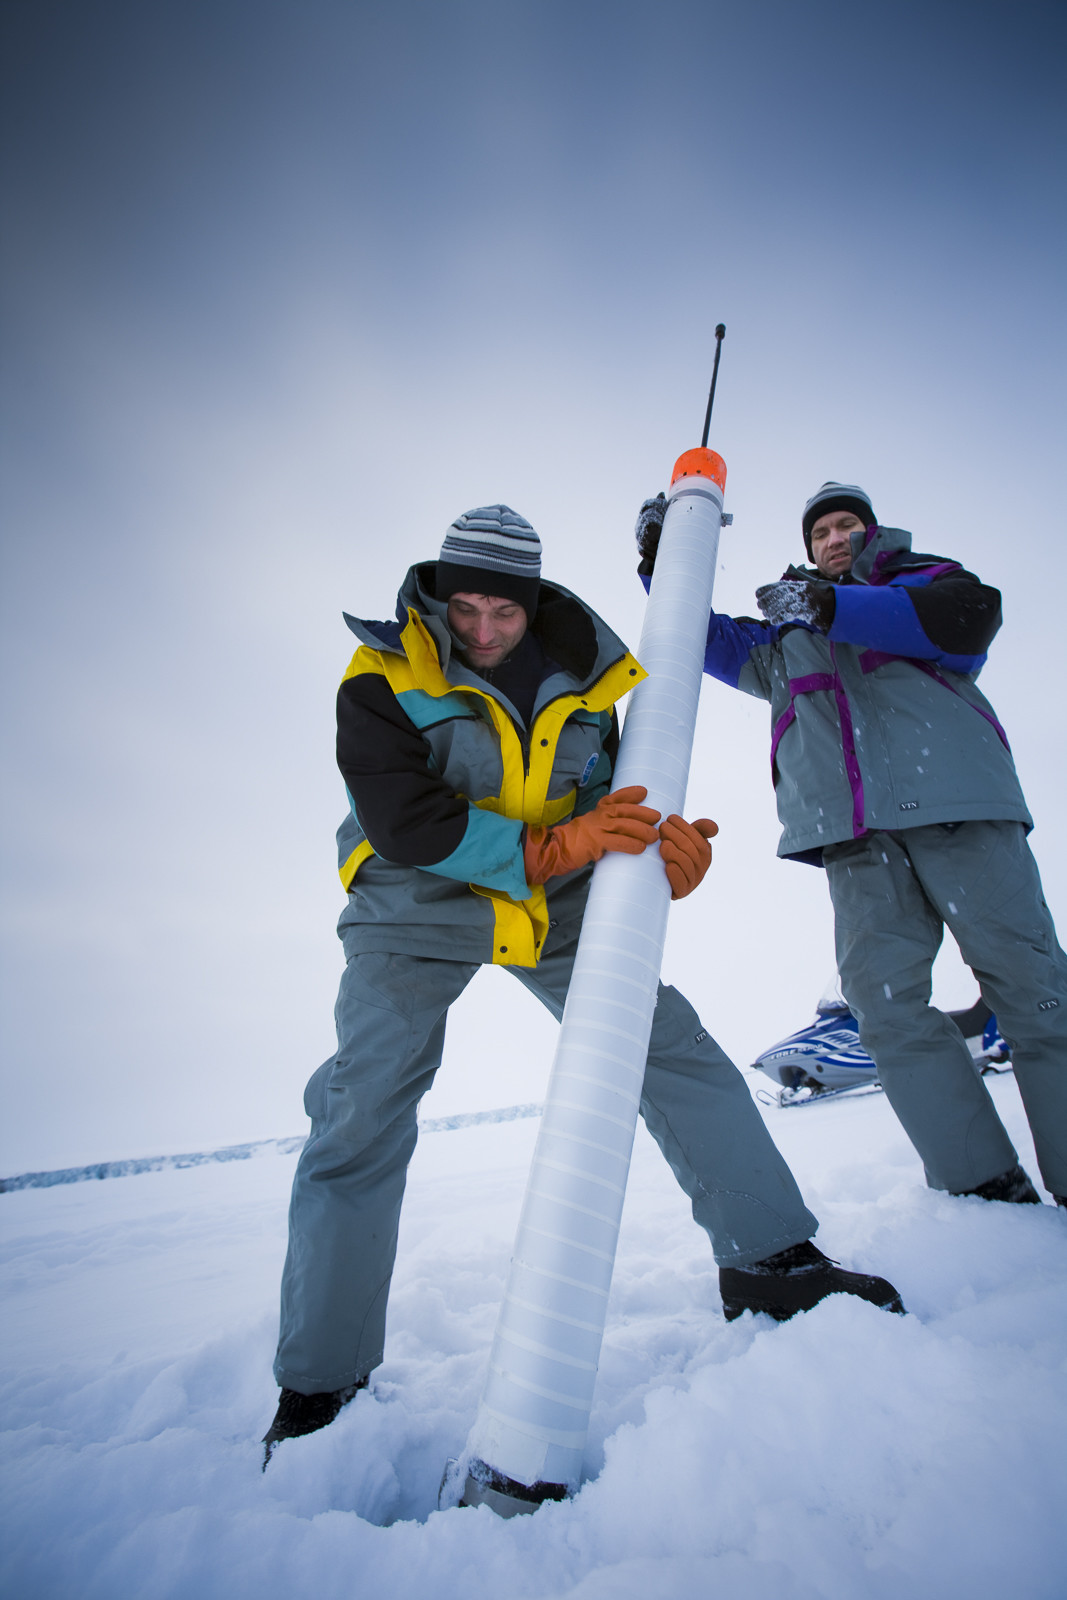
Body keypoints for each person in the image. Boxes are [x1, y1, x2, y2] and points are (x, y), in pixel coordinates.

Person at [263, 504, 904, 1462]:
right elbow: (403, 819)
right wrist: (552, 846)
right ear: (437, 597)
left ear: (532, 605)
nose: (483, 630)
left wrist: (657, 857)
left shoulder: (589, 678)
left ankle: (770, 1259)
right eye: (465, 609)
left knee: (670, 1047)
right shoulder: (380, 674)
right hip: (413, 905)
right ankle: (320, 1384)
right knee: (359, 1114)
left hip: (554, 902)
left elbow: (611, 801)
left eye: (503, 612)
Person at [635, 480, 1067, 1210]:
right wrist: (663, 560)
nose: (834, 539)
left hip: (959, 812)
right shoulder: (782, 637)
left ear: (871, 532)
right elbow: (694, 635)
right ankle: (983, 1190)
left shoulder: (926, 583)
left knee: (1035, 989)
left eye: (846, 526)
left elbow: (969, 620)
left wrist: (829, 606)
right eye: (820, 533)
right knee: (886, 1009)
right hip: (856, 839)